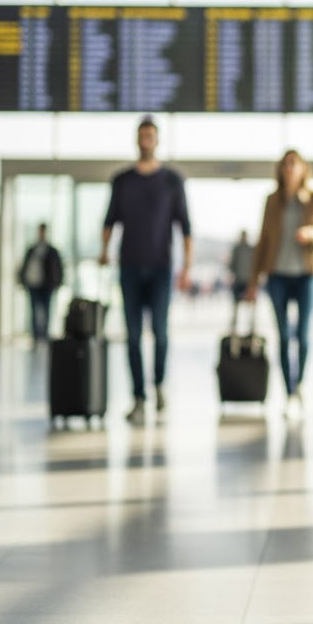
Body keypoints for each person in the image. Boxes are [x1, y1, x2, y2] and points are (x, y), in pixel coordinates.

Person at [99, 115, 192, 425]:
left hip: (162, 268)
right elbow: (110, 221)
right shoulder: (122, 180)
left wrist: (186, 268)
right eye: (142, 136)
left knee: (161, 333)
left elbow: (185, 227)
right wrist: (104, 251)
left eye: (150, 136)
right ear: (137, 140)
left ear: (157, 140)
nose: (146, 141)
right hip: (129, 267)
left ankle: (159, 386)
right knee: (133, 336)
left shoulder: (172, 180)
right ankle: (138, 397)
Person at [244, 150, 313, 409]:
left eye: (294, 163)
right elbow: (263, 240)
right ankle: (289, 392)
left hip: (307, 274)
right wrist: (253, 281)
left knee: (303, 334)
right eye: (286, 164)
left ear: (304, 169)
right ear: (281, 170)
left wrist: (312, 233)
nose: (290, 168)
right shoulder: (272, 200)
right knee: (282, 335)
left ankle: (301, 383)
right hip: (277, 275)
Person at [18, 222, 64, 346]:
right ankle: (36, 336)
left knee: (46, 310)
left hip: (46, 285)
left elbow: (58, 268)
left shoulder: (51, 250)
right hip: (33, 284)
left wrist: (57, 283)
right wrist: (22, 280)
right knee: (34, 311)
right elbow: (25, 266)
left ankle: (44, 336)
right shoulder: (32, 249)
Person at [227, 230, 254, 323]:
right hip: (246, 280)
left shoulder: (237, 249)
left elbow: (231, 265)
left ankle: (237, 323)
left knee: (237, 304)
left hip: (242, 280)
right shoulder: (251, 249)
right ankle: (250, 324)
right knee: (249, 304)